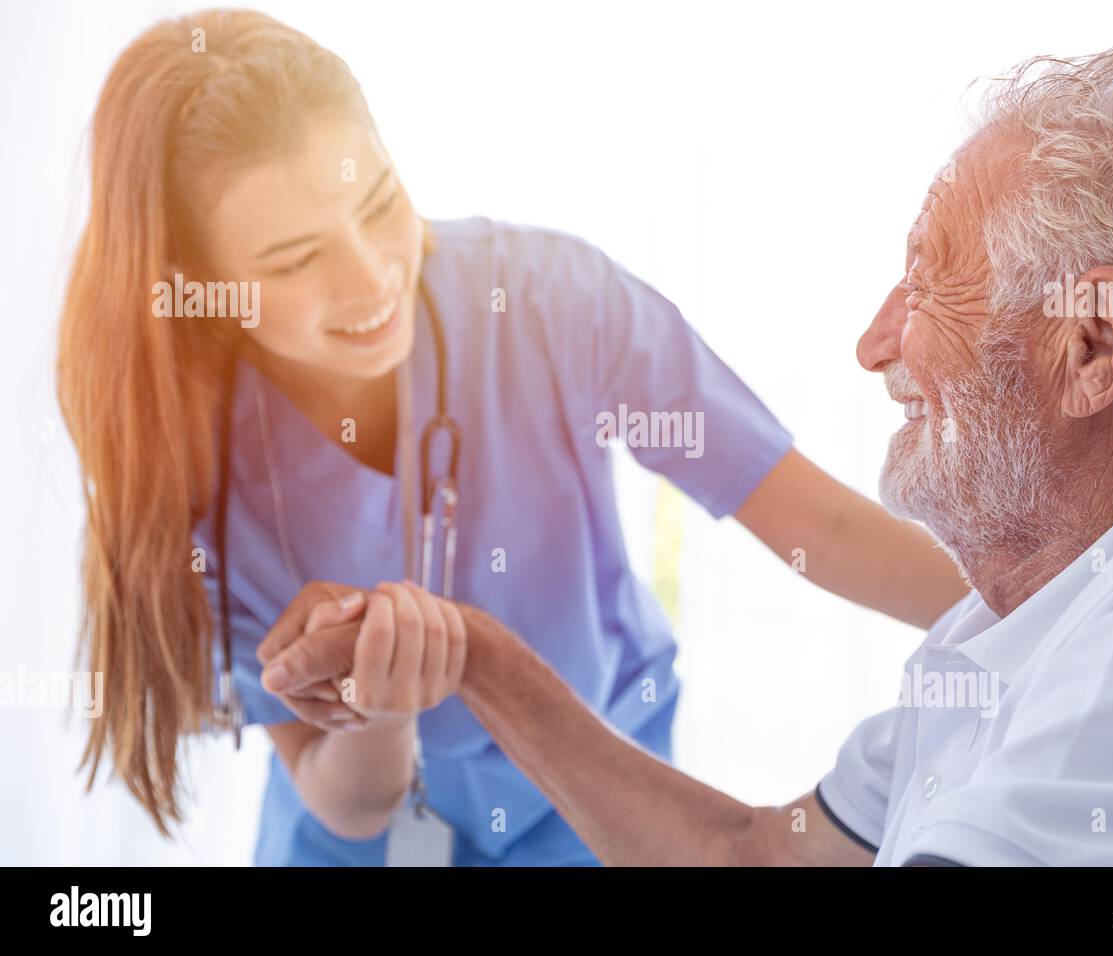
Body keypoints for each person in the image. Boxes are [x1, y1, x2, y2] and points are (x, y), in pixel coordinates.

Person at [265, 46, 1113, 866]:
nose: (874, 342)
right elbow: (745, 856)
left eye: (931, 280)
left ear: (1091, 347)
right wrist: (474, 654)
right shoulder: (1021, 620)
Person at [56, 9, 966, 865]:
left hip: (586, 796)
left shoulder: (547, 301)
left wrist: (1064, 603)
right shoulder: (184, 458)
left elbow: (825, 533)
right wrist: (378, 706)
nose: (371, 277)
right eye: (295, 260)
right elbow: (351, 804)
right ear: (201, 285)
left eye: (378, 203)